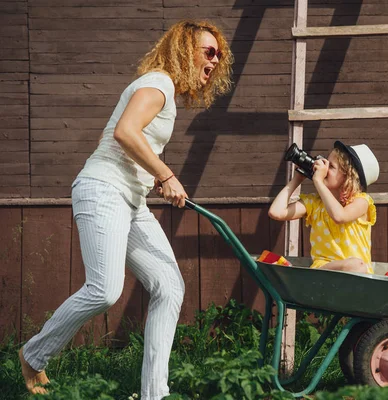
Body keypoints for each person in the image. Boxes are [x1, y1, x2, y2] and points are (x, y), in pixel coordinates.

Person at [19, 20, 233, 399]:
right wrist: (166, 175)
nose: (215, 60)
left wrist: (151, 178)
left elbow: (134, 141)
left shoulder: (163, 89)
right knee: (104, 290)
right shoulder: (159, 84)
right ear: (185, 51)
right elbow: (126, 131)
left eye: (219, 54)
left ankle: (155, 394)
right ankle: (34, 355)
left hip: (130, 200)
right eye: (209, 52)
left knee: (168, 286)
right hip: (103, 190)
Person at [269, 141, 380, 274]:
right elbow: (276, 212)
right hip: (324, 272)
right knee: (355, 265)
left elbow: (340, 216)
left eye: (331, 166)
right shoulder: (315, 203)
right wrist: (296, 180)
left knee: (358, 265)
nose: (324, 169)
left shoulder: (361, 201)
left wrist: (318, 181)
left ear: (348, 177)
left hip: (359, 273)